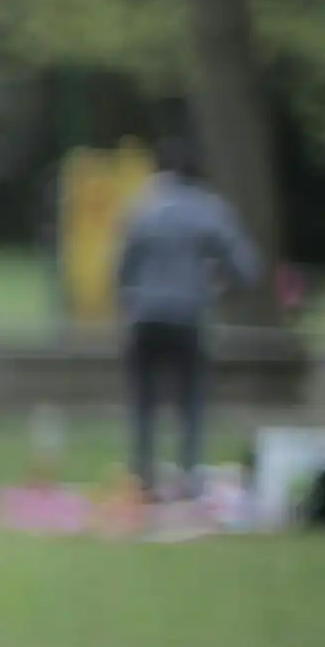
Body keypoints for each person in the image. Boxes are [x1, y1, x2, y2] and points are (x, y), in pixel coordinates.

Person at [115, 134, 262, 496]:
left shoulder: (142, 207)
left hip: (145, 315)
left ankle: (143, 475)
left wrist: (132, 299)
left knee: (143, 400)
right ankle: (188, 475)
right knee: (191, 399)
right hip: (188, 315)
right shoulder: (209, 210)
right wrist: (220, 291)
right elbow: (246, 268)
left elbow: (121, 268)